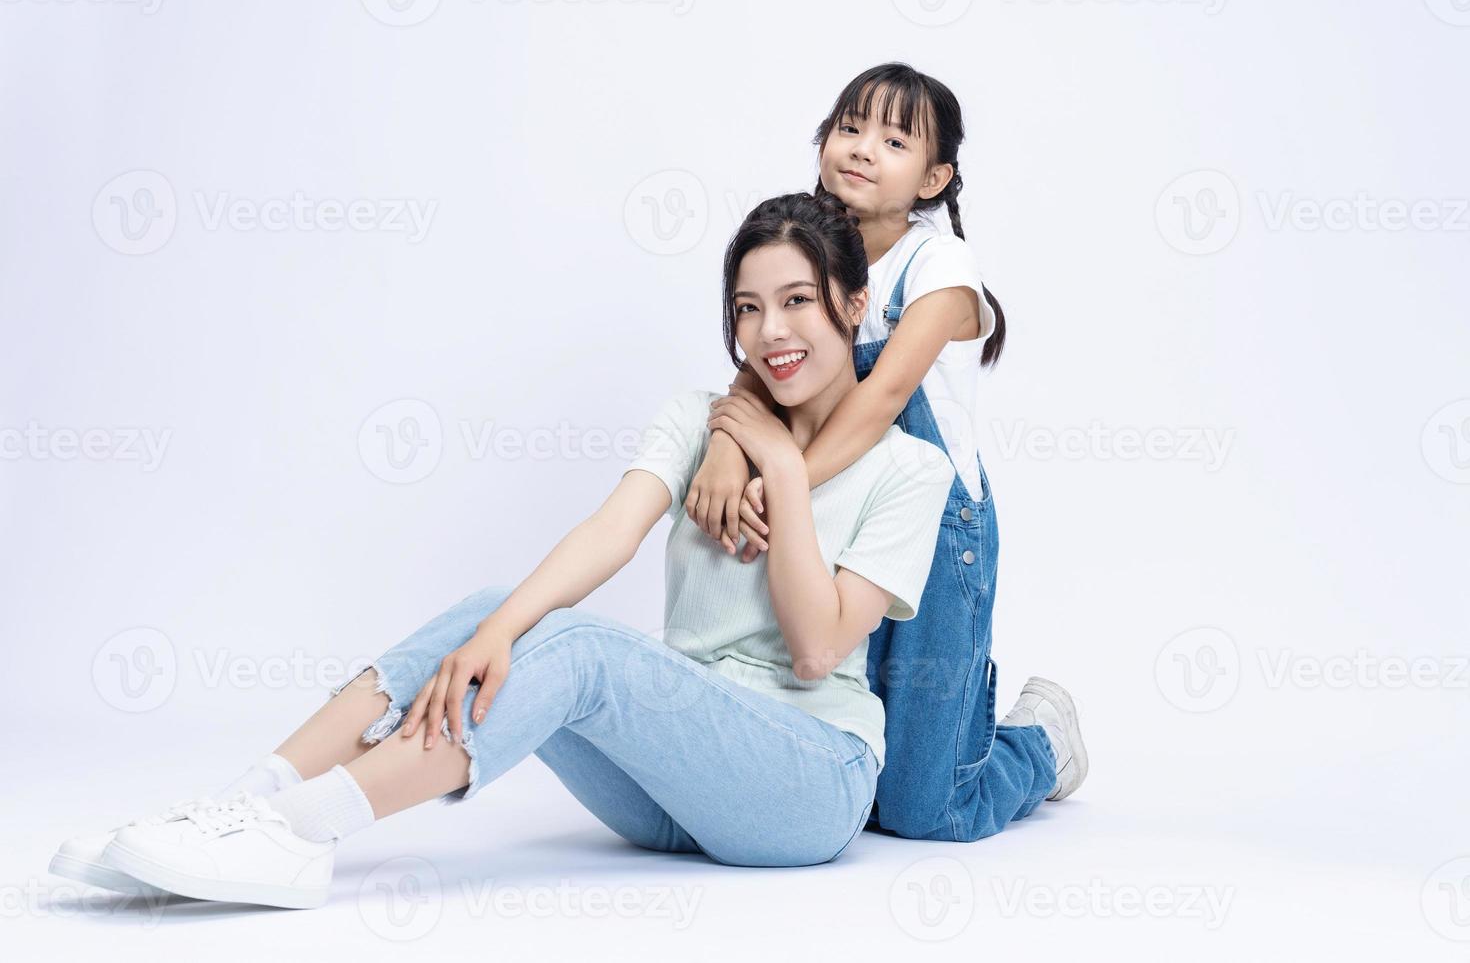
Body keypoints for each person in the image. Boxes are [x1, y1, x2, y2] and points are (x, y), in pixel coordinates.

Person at [48, 192, 1076, 912]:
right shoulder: (700, 418)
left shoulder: (909, 471)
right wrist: (494, 632)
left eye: (800, 300)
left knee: (581, 650)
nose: (771, 332)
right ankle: (245, 801)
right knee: (509, 603)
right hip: (679, 788)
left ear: (856, 306)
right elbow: (609, 530)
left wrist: (787, 472)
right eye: (748, 308)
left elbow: (815, 648)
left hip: (808, 783)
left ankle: (304, 832)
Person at [686, 63, 1088, 841]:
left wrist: (778, 483)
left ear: (934, 177)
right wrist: (723, 457)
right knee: (857, 761)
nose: (863, 148)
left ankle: (1038, 743)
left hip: (938, 532)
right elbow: (758, 370)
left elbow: (876, 403)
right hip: (841, 516)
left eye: (894, 139)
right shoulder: (811, 249)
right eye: (850, 128)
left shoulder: (937, 266)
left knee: (922, 808)